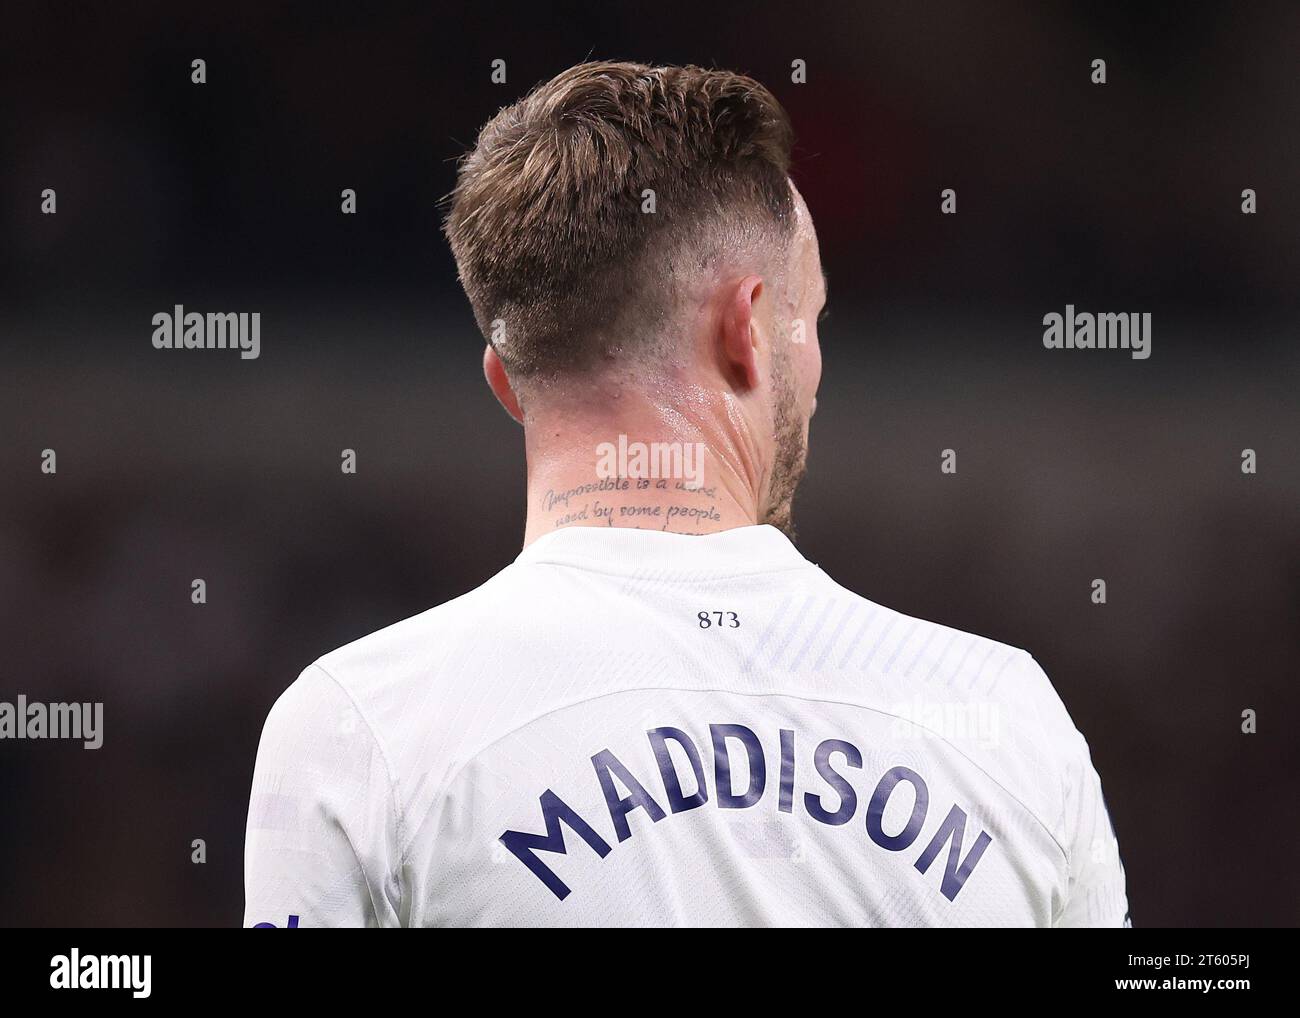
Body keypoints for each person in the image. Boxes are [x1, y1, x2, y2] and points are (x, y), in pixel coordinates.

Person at [243, 61, 1128, 927]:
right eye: (810, 319)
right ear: (748, 328)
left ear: (504, 381)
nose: (816, 369)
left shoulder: (360, 729)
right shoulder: (1006, 724)